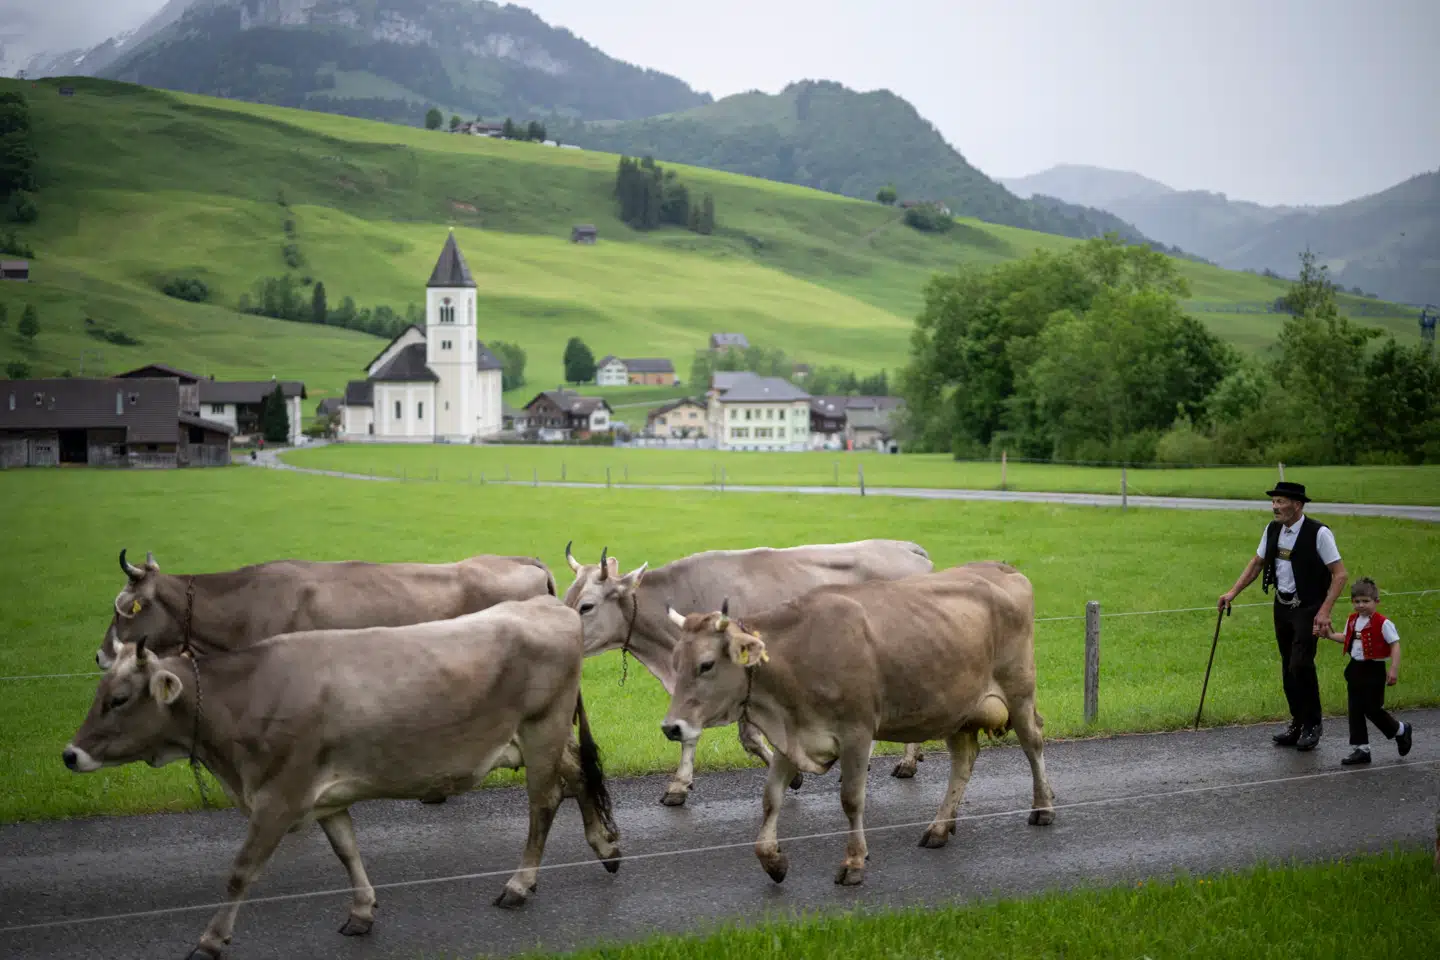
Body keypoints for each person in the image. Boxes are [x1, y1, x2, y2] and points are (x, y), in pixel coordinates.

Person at [1217, 481, 1347, 751]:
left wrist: (1325, 611)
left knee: (1301, 664)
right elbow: (1257, 563)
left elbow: (1340, 574)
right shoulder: (1273, 529)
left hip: (1309, 607)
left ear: (1297, 505)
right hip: (1282, 604)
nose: (1275, 507)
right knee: (1288, 666)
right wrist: (1232, 593)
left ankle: (1313, 723)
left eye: (1280, 502)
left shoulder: (1319, 533)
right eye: (1273, 501)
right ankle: (1297, 722)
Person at [1321, 577, 1413, 766]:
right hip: (1355, 668)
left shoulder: (1383, 623)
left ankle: (1401, 730)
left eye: (1366, 601)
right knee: (1355, 709)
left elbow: (1394, 645)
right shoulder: (1353, 620)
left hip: (1374, 670)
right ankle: (1361, 748)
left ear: (1376, 601)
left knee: (1372, 709)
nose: (1361, 605)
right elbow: (1346, 638)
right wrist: (1330, 635)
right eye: (1357, 602)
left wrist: (1393, 670)